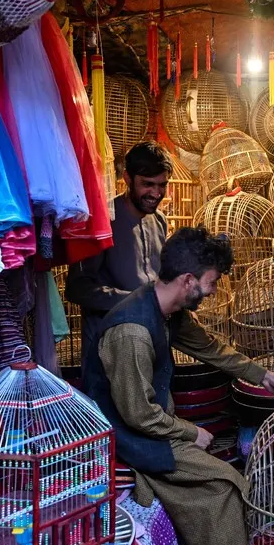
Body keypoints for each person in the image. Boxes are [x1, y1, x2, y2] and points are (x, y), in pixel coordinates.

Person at [83, 227, 274, 545]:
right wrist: (189, 432)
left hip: (154, 427)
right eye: (211, 282)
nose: (213, 291)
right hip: (132, 438)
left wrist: (263, 376)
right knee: (226, 485)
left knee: (227, 479)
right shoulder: (132, 332)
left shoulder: (167, 311)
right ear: (188, 280)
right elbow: (138, 415)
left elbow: (211, 348)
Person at [66, 141, 173, 377]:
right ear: (127, 178)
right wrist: (139, 301)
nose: (156, 194)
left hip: (151, 343)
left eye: (162, 185)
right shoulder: (101, 221)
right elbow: (77, 289)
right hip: (108, 350)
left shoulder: (160, 221)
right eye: (148, 184)